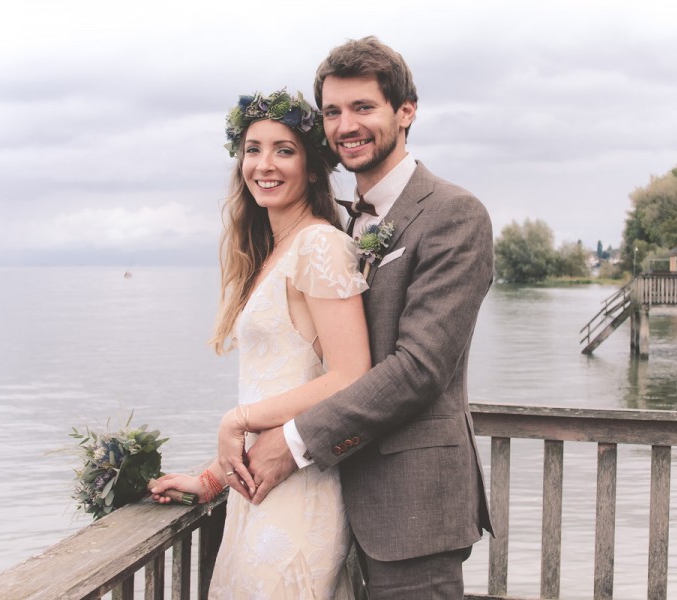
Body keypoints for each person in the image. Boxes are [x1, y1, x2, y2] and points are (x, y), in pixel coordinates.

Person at [244, 37, 495, 598]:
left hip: (411, 511)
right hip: (325, 502)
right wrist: (220, 471)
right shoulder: (338, 225)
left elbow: (419, 369)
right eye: (333, 111)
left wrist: (294, 442)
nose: (345, 125)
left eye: (363, 107)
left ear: (406, 111)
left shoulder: (455, 215)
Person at [150, 88, 371, 598]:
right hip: (259, 492)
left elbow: (350, 374)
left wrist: (237, 420)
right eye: (253, 149)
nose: (264, 164)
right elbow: (282, 377)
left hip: (298, 494)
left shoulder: (319, 245)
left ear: (313, 168)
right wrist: (211, 478)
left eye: (284, 150)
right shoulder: (275, 252)